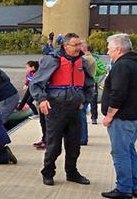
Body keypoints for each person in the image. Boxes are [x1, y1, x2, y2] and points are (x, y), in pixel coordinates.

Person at [29, 33, 95, 186]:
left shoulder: (82, 62)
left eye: (80, 44)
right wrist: (42, 99)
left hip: (74, 109)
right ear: (65, 46)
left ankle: (72, 173)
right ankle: (48, 172)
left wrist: (84, 101)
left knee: (74, 145)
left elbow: (89, 85)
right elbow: (36, 83)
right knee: (54, 145)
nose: (79, 48)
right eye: (75, 45)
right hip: (56, 108)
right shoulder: (52, 60)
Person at [100, 34, 137, 199]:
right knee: (129, 149)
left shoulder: (121, 66)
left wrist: (109, 115)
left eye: (109, 49)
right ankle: (133, 185)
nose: (108, 52)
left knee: (120, 152)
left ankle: (124, 188)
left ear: (119, 49)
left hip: (124, 118)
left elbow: (118, 93)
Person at [17, 61, 46, 149]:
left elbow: (27, 95)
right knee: (43, 122)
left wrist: (19, 108)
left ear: (33, 67)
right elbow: (28, 82)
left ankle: (47, 141)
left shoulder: (36, 77)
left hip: (45, 101)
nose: (27, 69)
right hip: (41, 101)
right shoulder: (32, 75)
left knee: (45, 122)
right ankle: (44, 140)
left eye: (28, 67)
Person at [81, 42, 107, 124]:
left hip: (92, 82)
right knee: (92, 101)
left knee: (92, 101)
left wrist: (95, 72)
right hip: (89, 83)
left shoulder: (94, 58)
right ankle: (92, 118)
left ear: (84, 48)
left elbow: (102, 70)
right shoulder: (85, 58)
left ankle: (93, 118)